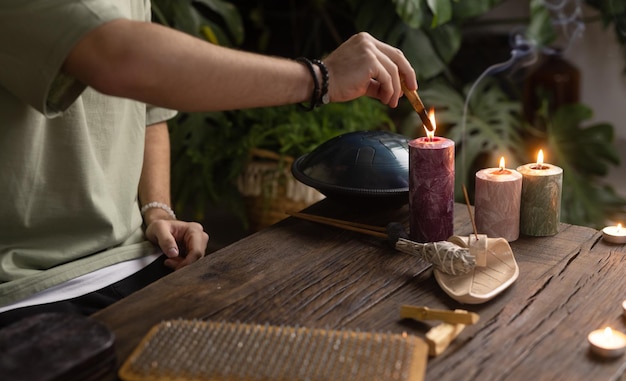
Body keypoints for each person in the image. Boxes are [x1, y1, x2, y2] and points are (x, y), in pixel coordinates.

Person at [0, 0, 418, 326]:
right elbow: (122, 60)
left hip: (140, 263)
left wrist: (156, 211)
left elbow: (147, 110)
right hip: (29, 291)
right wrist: (320, 77)